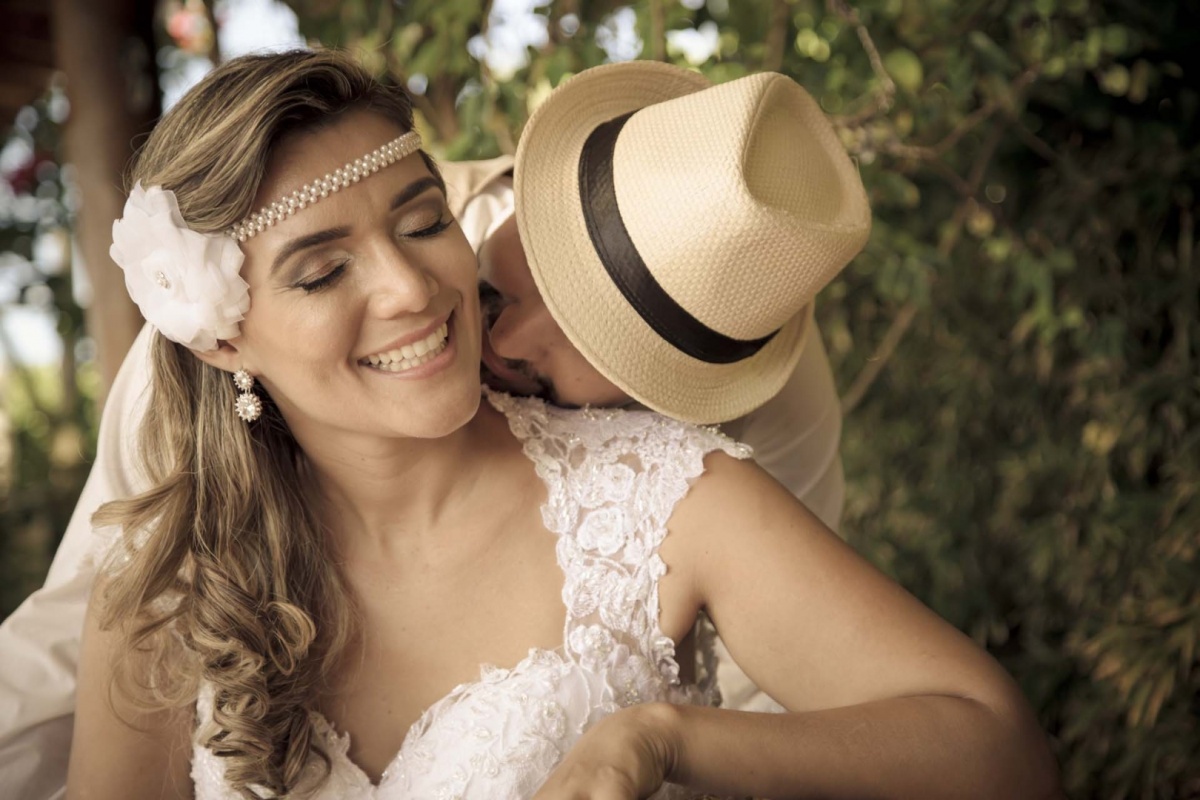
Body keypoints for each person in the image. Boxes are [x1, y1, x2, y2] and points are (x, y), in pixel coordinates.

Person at [16, 50, 1057, 799]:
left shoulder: (672, 493)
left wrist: (663, 740)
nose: (416, 291)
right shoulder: (163, 585)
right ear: (222, 341)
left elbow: (994, 750)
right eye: (325, 270)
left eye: (422, 223)